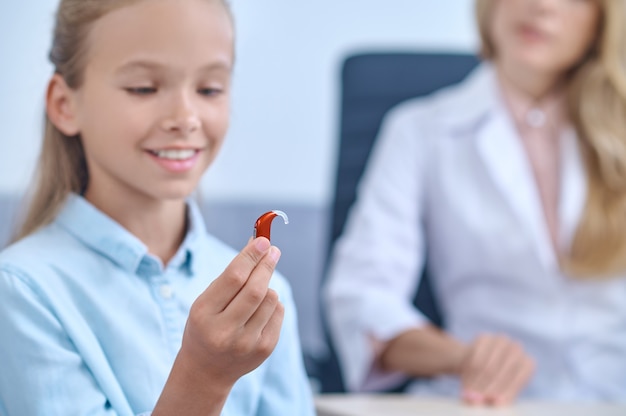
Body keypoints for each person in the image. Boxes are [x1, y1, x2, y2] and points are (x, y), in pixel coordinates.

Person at [0, 0, 315, 415]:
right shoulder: (24, 290)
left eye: (209, 89)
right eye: (143, 88)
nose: (185, 117)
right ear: (64, 104)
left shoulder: (268, 297)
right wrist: (204, 376)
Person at [324, 0, 626, 407]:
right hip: (482, 400)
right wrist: (463, 357)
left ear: (601, 23)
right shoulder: (420, 131)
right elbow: (361, 295)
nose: (542, 6)